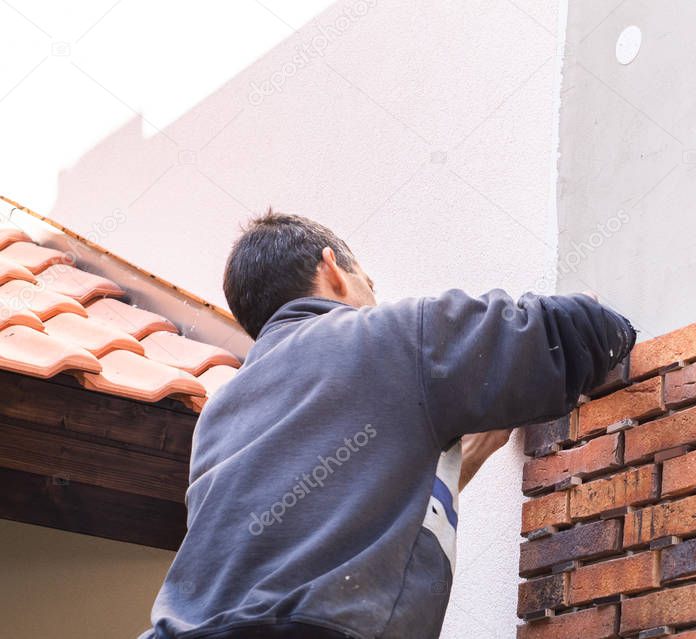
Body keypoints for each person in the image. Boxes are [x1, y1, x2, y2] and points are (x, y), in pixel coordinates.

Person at [141, 211, 636, 639]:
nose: (374, 300)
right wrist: (604, 317)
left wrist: (454, 462)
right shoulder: (389, 337)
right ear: (333, 269)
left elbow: (331, 511)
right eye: (369, 286)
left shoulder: (221, 410)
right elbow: (571, 331)